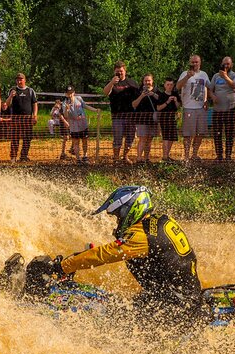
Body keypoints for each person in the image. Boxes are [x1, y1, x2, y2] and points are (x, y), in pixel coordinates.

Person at [51, 185, 202, 318]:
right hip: (180, 296)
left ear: (131, 208)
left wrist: (62, 267)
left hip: (176, 305)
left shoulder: (143, 235)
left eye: (119, 215)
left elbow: (103, 255)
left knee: (111, 321)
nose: (118, 221)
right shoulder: (161, 221)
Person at [104, 61, 140, 163]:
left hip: (131, 116)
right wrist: (112, 82)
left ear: (125, 71)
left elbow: (138, 99)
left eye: (121, 71)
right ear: (114, 72)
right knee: (117, 138)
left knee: (130, 138)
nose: (119, 73)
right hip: (117, 116)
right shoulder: (111, 82)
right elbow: (105, 93)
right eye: (117, 71)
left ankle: (125, 156)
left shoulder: (132, 83)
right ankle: (116, 158)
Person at [176, 55, 210, 162]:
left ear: (200, 63)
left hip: (201, 108)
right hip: (188, 107)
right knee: (188, 134)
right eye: (193, 62)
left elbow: (208, 87)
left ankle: (194, 154)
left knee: (200, 133)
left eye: (197, 62)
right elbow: (177, 86)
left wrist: (206, 100)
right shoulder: (184, 73)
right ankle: (186, 156)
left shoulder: (204, 74)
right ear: (190, 63)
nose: (195, 64)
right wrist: (187, 77)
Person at [2, 72, 38, 162]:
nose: (19, 81)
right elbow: (7, 104)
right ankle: (13, 157)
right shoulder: (13, 90)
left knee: (27, 138)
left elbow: (35, 104)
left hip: (28, 119)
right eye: (17, 79)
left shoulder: (30, 90)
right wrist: (10, 96)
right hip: (16, 119)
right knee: (15, 138)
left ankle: (23, 156)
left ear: (24, 80)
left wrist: (35, 115)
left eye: (21, 79)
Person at [210, 56, 235, 162]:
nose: (226, 66)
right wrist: (213, 96)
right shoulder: (216, 76)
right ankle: (219, 156)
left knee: (229, 134)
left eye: (228, 64)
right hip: (217, 110)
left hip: (230, 109)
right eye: (224, 64)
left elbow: (234, 85)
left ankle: (228, 156)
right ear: (221, 64)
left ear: (231, 65)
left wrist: (226, 76)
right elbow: (210, 89)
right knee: (217, 133)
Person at [60, 85, 98, 164]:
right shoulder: (64, 103)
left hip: (83, 125)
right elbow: (65, 116)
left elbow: (85, 106)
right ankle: (78, 159)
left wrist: (95, 110)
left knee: (85, 141)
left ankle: (85, 156)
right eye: (68, 93)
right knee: (76, 142)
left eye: (71, 92)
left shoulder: (79, 98)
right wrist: (67, 109)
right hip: (74, 127)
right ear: (66, 94)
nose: (70, 94)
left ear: (74, 92)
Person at [131, 74, 159, 163]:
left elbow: (161, 100)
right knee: (143, 138)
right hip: (141, 119)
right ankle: (139, 158)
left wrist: (153, 94)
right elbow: (134, 105)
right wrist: (142, 96)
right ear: (143, 82)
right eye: (145, 81)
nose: (147, 82)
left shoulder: (156, 91)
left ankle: (146, 158)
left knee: (150, 138)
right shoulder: (138, 91)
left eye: (149, 80)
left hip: (153, 119)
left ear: (152, 81)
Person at [154, 77, 180, 162]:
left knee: (172, 137)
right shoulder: (161, 95)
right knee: (166, 137)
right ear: (164, 85)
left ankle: (167, 155)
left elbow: (178, 107)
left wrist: (176, 101)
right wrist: (167, 102)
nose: (170, 86)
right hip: (164, 118)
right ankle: (165, 156)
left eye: (171, 84)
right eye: (168, 84)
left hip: (173, 118)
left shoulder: (175, 94)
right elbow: (158, 108)